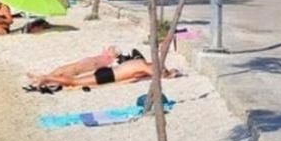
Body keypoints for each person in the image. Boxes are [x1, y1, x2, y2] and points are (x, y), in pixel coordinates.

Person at [28, 48, 179, 89]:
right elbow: (160, 76)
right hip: (107, 76)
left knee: (75, 79)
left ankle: (46, 80)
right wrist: (170, 73)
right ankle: (46, 79)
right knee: (75, 82)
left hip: (108, 72)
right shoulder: (144, 67)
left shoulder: (139, 63)